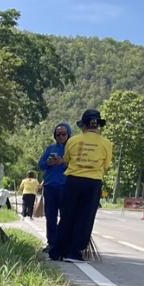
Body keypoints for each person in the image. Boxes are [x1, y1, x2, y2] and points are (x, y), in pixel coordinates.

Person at [49, 108, 113, 262]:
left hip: (73, 181)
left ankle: (57, 251)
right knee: (84, 218)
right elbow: (106, 165)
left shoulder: (73, 141)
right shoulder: (106, 143)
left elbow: (67, 159)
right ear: (98, 126)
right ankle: (75, 252)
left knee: (67, 216)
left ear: (83, 125)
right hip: (93, 183)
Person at [38, 122, 71, 250]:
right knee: (50, 216)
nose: (61, 136)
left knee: (65, 216)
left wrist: (63, 162)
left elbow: (76, 164)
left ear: (68, 134)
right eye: (58, 134)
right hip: (50, 186)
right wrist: (49, 162)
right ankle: (51, 242)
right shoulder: (50, 149)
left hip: (66, 186)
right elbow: (40, 165)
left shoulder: (71, 148)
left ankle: (63, 242)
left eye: (63, 134)